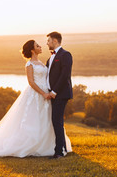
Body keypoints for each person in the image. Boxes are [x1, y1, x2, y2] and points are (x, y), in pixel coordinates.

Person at [0, 39, 72, 158]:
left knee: (46, 120)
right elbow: (31, 82)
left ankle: (49, 145)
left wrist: (50, 92)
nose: (40, 46)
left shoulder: (43, 63)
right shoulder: (29, 64)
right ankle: (30, 145)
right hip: (36, 95)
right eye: (37, 45)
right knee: (31, 120)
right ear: (32, 50)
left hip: (46, 95)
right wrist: (43, 93)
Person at [46, 31, 73, 159]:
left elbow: (65, 75)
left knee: (57, 121)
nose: (47, 43)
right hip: (52, 94)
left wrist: (54, 91)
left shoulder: (65, 55)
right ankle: (60, 148)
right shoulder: (50, 57)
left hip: (61, 94)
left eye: (48, 41)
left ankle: (60, 151)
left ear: (55, 41)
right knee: (55, 121)